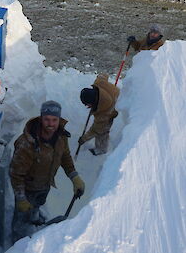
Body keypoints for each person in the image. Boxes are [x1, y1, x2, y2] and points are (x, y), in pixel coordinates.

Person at [9, 100, 85, 242]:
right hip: (27, 189)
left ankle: (34, 218)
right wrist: (21, 198)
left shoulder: (61, 136)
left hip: (44, 184)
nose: (51, 124)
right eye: (47, 119)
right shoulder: (27, 143)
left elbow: (65, 157)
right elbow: (15, 173)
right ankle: (18, 242)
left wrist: (74, 177)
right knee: (21, 219)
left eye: (54, 120)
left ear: (59, 119)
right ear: (41, 118)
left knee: (37, 205)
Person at [78, 73, 120, 156]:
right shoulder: (99, 83)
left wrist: (84, 138)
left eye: (87, 104)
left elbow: (96, 130)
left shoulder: (103, 114)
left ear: (93, 101)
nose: (86, 106)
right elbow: (103, 76)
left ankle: (101, 149)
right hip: (116, 94)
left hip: (115, 108)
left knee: (102, 131)